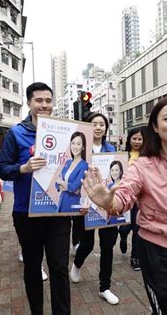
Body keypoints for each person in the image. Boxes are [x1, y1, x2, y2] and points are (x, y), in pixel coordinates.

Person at [82, 97, 167, 314]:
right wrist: (108, 201)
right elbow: (124, 197)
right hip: (156, 251)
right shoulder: (142, 165)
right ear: (155, 126)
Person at [0, 82, 71, 315]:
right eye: (39, 100)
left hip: (58, 211)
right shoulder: (16, 133)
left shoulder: (65, 132)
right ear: (28, 102)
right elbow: (2, 169)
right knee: (32, 266)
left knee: (59, 267)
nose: (44, 105)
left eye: (48, 101)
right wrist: (24, 168)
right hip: (26, 212)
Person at [69, 112, 120, 305]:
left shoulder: (111, 149)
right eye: (94, 124)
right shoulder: (80, 148)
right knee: (88, 244)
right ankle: (77, 263)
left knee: (108, 246)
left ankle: (104, 287)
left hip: (107, 204)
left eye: (102, 124)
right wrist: (80, 203)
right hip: (85, 204)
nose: (98, 127)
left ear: (106, 128)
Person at [118, 127, 145, 271]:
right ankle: (122, 236)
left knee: (137, 228)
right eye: (134, 138)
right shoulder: (123, 156)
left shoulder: (146, 156)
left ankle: (135, 257)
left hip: (140, 199)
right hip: (126, 197)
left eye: (140, 139)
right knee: (126, 227)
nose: (137, 141)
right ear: (129, 140)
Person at [56, 131, 89, 213]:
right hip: (62, 201)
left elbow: (74, 187)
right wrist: (68, 187)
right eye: (73, 143)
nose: (75, 146)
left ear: (83, 147)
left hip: (73, 204)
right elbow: (56, 183)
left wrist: (62, 183)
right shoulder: (68, 162)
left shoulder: (84, 165)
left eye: (78, 144)